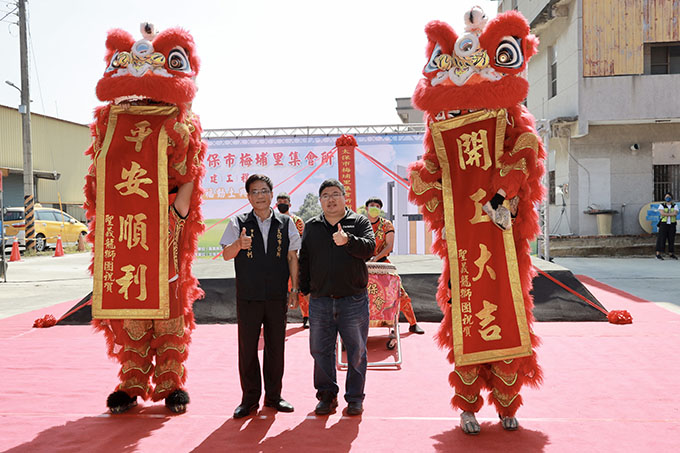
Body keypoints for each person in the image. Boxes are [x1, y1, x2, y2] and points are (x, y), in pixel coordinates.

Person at [221, 174, 300, 419]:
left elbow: (292, 258)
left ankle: (274, 397)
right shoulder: (238, 222)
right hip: (248, 296)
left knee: (276, 347)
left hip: (277, 295)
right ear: (248, 196)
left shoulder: (286, 223)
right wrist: (238, 245)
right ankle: (249, 399)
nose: (259, 196)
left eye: (264, 191)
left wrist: (294, 289)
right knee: (247, 349)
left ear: (271, 194)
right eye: (254, 191)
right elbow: (226, 254)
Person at [299, 179, 376, 416]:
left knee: (357, 350)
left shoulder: (359, 221)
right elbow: (305, 260)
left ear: (344, 197)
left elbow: (370, 249)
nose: (330, 199)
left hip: (352, 299)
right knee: (320, 350)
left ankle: (354, 398)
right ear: (320, 200)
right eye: (325, 195)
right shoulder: (312, 226)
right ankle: (326, 396)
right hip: (321, 300)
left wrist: (348, 241)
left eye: (335, 194)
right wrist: (304, 289)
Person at [364, 197, 425, 335]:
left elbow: (389, 246)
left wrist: (376, 259)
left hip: (383, 264)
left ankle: (413, 323)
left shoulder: (386, 224)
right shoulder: (361, 224)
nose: (375, 208)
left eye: (378, 206)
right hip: (363, 265)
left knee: (399, 291)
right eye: (372, 205)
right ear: (366, 208)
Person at [276, 192, 309, 328]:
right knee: (278, 289)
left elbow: (302, 240)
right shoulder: (273, 219)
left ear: (290, 204)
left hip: (294, 259)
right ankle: (279, 317)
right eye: (279, 202)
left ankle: (306, 316)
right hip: (277, 261)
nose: (282, 204)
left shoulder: (297, 221)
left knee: (298, 289)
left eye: (284, 201)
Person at [656, 192, 678, 260]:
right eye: (666, 197)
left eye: (669, 196)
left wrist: (666, 214)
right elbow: (662, 213)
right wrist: (671, 214)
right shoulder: (662, 205)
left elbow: (675, 213)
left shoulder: (675, 205)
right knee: (661, 238)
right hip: (664, 224)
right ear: (664, 198)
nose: (667, 198)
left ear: (671, 198)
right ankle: (658, 254)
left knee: (671, 239)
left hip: (672, 224)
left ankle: (671, 253)